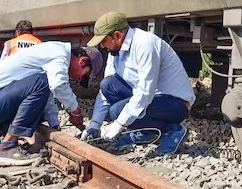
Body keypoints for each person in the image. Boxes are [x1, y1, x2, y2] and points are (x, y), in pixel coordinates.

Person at [0, 41, 103, 165]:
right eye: (84, 75)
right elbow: (57, 85)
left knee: (38, 104)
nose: (79, 79)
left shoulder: (52, 52)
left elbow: (45, 97)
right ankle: (6, 147)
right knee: (42, 83)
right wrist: (76, 111)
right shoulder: (59, 54)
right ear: (82, 61)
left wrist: (54, 125)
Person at [81, 12, 196, 155]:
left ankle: (172, 130)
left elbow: (145, 91)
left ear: (117, 35)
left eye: (104, 41)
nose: (103, 46)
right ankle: (147, 131)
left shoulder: (145, 44)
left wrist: (119, 124)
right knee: (107, 85)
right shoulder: (115, 52)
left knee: (117, 112)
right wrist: (94, 124)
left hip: (174, 103)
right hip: (152, 100)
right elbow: (105, 93)